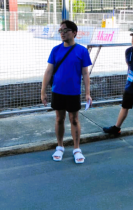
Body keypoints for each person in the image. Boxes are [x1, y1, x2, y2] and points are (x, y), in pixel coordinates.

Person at [41, 20, 92, 164]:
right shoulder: (56, 50)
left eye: (65, 30)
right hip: (58, 91)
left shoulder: (81, 51)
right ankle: (60, 146)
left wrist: (87, 93)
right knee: (59, 118)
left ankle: (76, 149)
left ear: (74, 33)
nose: (62, 33)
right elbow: (49, 71)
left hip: (74, 92)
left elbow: (86, 74)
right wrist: (43, 91)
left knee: (74, 119)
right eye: (60, 30)